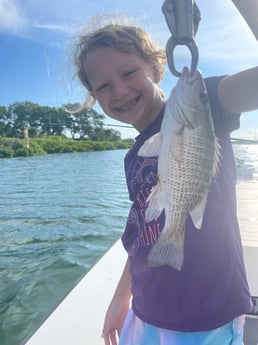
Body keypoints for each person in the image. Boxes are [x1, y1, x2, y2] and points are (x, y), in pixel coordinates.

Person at [74, 1, 258, 344]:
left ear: (158, 68)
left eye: (129, 73)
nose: (121, 91)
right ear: (94, 97)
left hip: (206, 317)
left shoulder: (209, 104)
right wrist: (121, 296)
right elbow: (143, 233)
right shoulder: (134, 157)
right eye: (104, 86)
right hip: (146, 311)